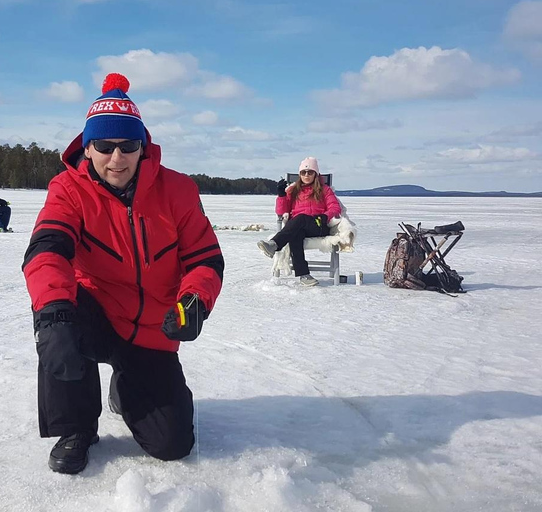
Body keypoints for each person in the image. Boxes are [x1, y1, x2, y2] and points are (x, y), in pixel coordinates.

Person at [22, 73, 224, 474]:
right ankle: (75, 426)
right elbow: (47, 250)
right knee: (59, 312)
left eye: (128, 145)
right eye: (104, 146)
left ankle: (125, 387)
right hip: (95, 315)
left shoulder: (179, 191)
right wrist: (51, 316)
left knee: (172, 444)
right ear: (88, 146)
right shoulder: (68, 189)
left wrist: (194, 302)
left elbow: (205, 259)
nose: (117, 158)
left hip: (153, 329)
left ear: (142, 147)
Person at [257, 157, 341, 286]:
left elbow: (335, 208)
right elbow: (281, 212)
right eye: (303, 172)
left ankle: (275, 245)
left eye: (310, 172)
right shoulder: (293, 190)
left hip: (318, 225)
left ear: (316, 174)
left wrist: (325, 216)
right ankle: (304, 275)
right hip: (298, 226)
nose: (306, 175)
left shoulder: (324, 190)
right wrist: (281, 196)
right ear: (300, 174)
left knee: (299, 219)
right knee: (295, 233)